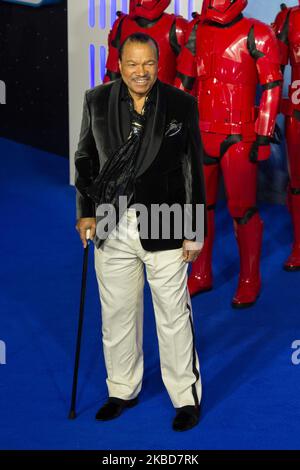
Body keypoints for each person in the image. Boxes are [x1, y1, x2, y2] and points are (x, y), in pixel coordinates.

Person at [74, 33, 206, 432]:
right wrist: (86, 213)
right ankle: (121, 389)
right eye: (132, 64)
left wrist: (193, 230)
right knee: (116, 314)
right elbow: (85, 161)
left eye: (148, 63)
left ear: (158, 62)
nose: (141, 72)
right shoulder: (96, 100)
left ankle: (185, 397)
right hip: (111, 224)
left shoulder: (181, 104)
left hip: (166, 222)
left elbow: (192, 170)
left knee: (173, 315)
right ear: (119, 63)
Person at [175, 0, 282, 308]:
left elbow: (272, 86)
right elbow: (183, 84)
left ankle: (250, 278)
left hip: (238, 135)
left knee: (243, 210)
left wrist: (262, 135)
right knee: (199, 206)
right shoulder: (197, 31)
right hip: (201, 133)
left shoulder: (258, 33)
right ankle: (200, 272)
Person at [272, 2, 300, 271]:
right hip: (297, 114)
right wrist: (268, 114)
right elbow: (275, 72)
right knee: (297, 182)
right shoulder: (289, 18)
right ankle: (299, 245)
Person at [103, 0, 187, 85]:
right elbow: (112, 75)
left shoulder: (177, 27)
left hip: (164, 96)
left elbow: (185, 80)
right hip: (127, 95)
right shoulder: (121, 24)